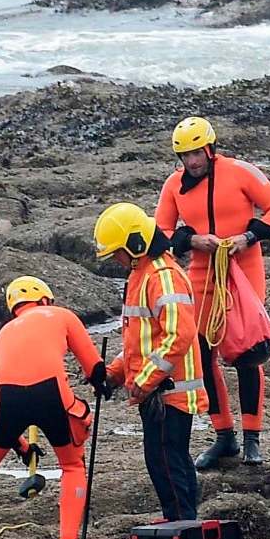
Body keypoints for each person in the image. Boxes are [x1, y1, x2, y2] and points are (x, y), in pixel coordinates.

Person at [155, 115, 270, 470]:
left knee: (248, 351)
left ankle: (252, 437)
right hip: (201, 272)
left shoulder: (241, 172)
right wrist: (193, 240)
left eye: (197, 154)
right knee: (202, 353)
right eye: (185, 157)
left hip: (244, 269)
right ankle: (224, 436)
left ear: (210, 149)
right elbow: (161, 233)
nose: (192, 162)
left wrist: (247, 237)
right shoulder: (173, 186)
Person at [0, 277, 108, 539]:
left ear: (15, 308)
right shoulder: (62, 315)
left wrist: (23, 447)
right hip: (52, 395)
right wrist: (103, 384)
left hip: (7, 401)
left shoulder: (0, 337)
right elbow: (94, 368)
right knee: (72, 466)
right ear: (46, 299)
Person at [94, 202, 207, 522]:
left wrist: (145, 381)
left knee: (167, 462)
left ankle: (182, 523)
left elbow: (179, 335)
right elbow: (140, 341)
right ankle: (180, 520)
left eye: (118, 252)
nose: (116, 260)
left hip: (169, 393)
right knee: (167, 459)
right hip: (159, 391)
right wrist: (115, 374)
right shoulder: (142, 275)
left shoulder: (163, 276)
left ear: (136, 244)